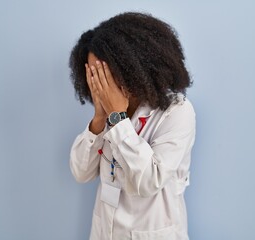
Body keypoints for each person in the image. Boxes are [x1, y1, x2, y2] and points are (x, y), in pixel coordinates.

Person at [68, 12, 196, 240]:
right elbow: (81, 172)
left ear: (131, 66)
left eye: (104, 74)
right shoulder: (106, 114)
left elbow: (150, 180)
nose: (99, 84)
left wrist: (117, 118)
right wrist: (99, 118)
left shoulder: (178, 111)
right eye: (93, 75)